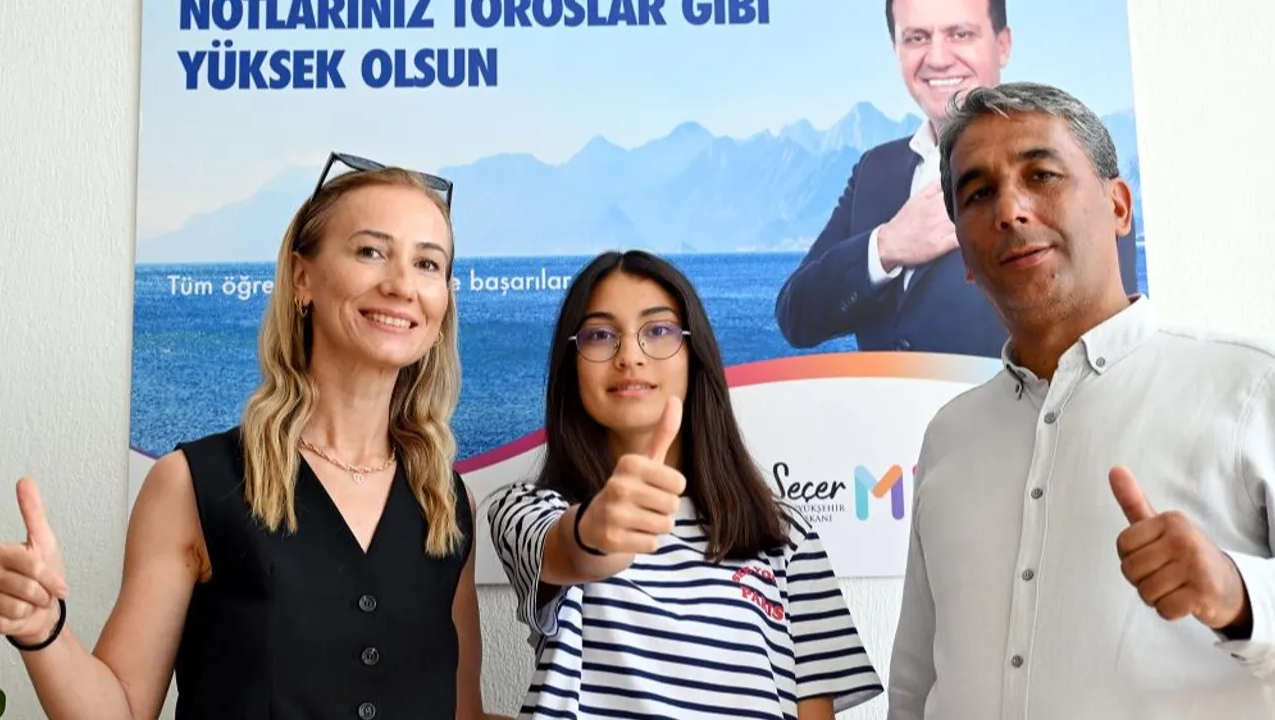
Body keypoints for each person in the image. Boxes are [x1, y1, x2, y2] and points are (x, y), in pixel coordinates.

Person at [0, 152, 509, 720]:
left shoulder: (448, 503)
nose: (402, 285)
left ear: (443, 307)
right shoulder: (191, 485)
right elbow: (121, 709)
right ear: (302, 278)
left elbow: (464, 714)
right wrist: (43, 631)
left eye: (428, 264)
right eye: (370, 251)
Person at [886, 82, 1275, 719]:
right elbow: (915, 686)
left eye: (1041, 175)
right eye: (978, 194)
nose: (1010, 210)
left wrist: (1239, 595)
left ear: (1119, 205)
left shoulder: (1253, 389)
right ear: (963, 253)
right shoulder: (951, 434)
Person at [486, 249, 884, 719]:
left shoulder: (785, 535)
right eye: (600, 335)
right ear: (571, 366)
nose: (630, 356)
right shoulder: (525, 510)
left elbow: (812, 710)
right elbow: (566, 551)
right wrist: (596, 533)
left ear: (695, 355)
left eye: (658, 330)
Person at [774, 0, 1139, 357]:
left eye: (960, 34)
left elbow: (1103, 340)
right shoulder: (874, 169)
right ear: (896, 49)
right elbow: (796, 315)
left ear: (1003, 45)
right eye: (917, 37)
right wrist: (886, 246)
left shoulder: (1071, 157)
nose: (937, 58)